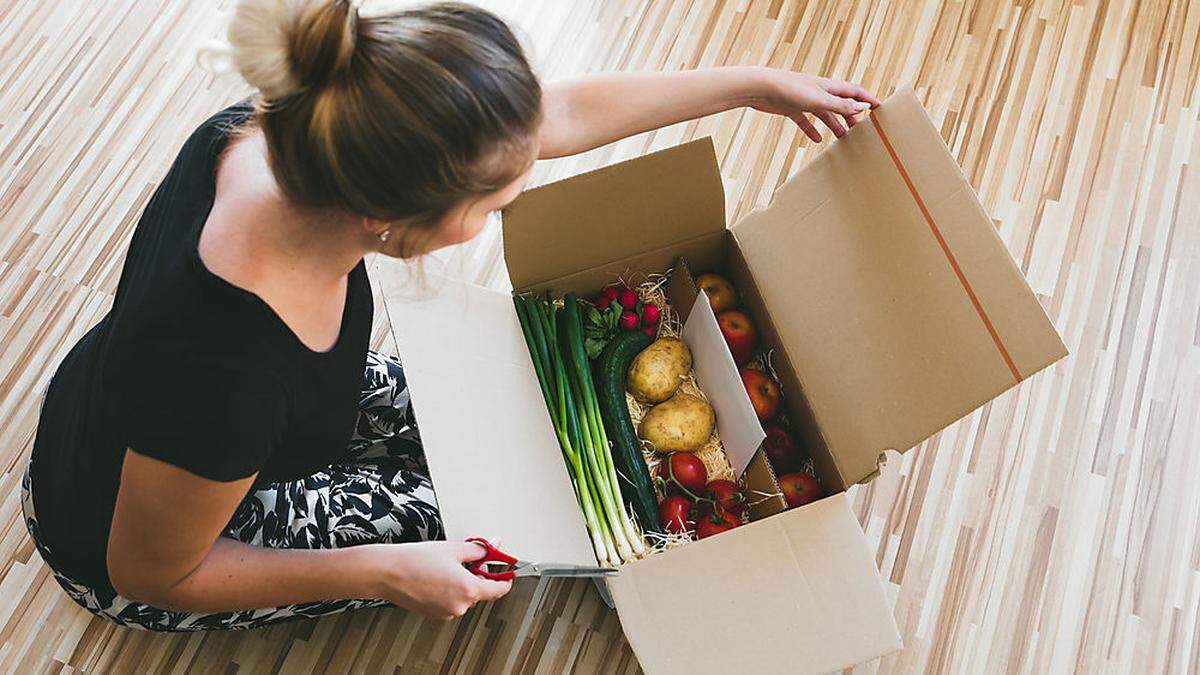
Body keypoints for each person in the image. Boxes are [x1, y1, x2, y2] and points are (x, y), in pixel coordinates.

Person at [23, 0, 880, 632]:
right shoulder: (222, 373)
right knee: (485, 526)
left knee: (516, 430)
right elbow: (153, 569)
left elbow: (558, 116)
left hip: (191, 425)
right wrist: (394, 571)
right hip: (135, 540)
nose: (516, 197)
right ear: (387, 217)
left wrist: (749, 85)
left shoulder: (297, 133)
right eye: (495, 201)